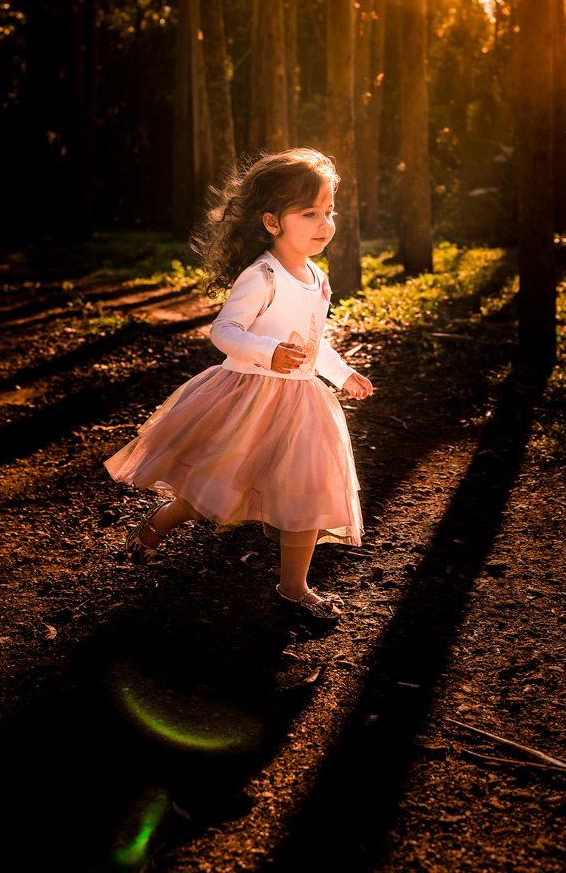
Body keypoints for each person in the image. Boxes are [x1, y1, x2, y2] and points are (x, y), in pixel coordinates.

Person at [105, 148, 372, 620]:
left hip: (303, 404)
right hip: (250, 398)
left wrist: (342, 372)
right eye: (309, 213)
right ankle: (155, 525)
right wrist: (267, 351)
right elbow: (223, 332)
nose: (324, 223)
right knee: (212, 486)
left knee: (306, 491)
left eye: (329, 211)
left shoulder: (318, 279)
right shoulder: (263, 275)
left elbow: (314, 342)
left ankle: (294, 586)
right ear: (272, 222)